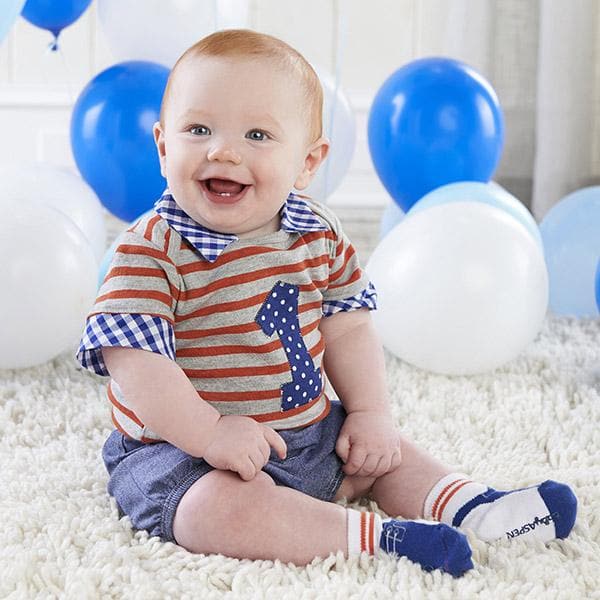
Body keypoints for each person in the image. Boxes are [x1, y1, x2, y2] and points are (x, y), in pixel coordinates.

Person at [76, 29, 577, 576]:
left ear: (308, 162)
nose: (223, 149)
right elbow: (137, 366)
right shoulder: (152, 250)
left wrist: (369, 413)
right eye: (198, 129)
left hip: (306, 432)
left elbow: (347, 328)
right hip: (179, 450)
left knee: (382, 454)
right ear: (163, 145)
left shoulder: (315, 233)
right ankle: (379, 539)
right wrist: (210, 432)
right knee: (212, 511)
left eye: (258, 134)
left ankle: (471, 505)